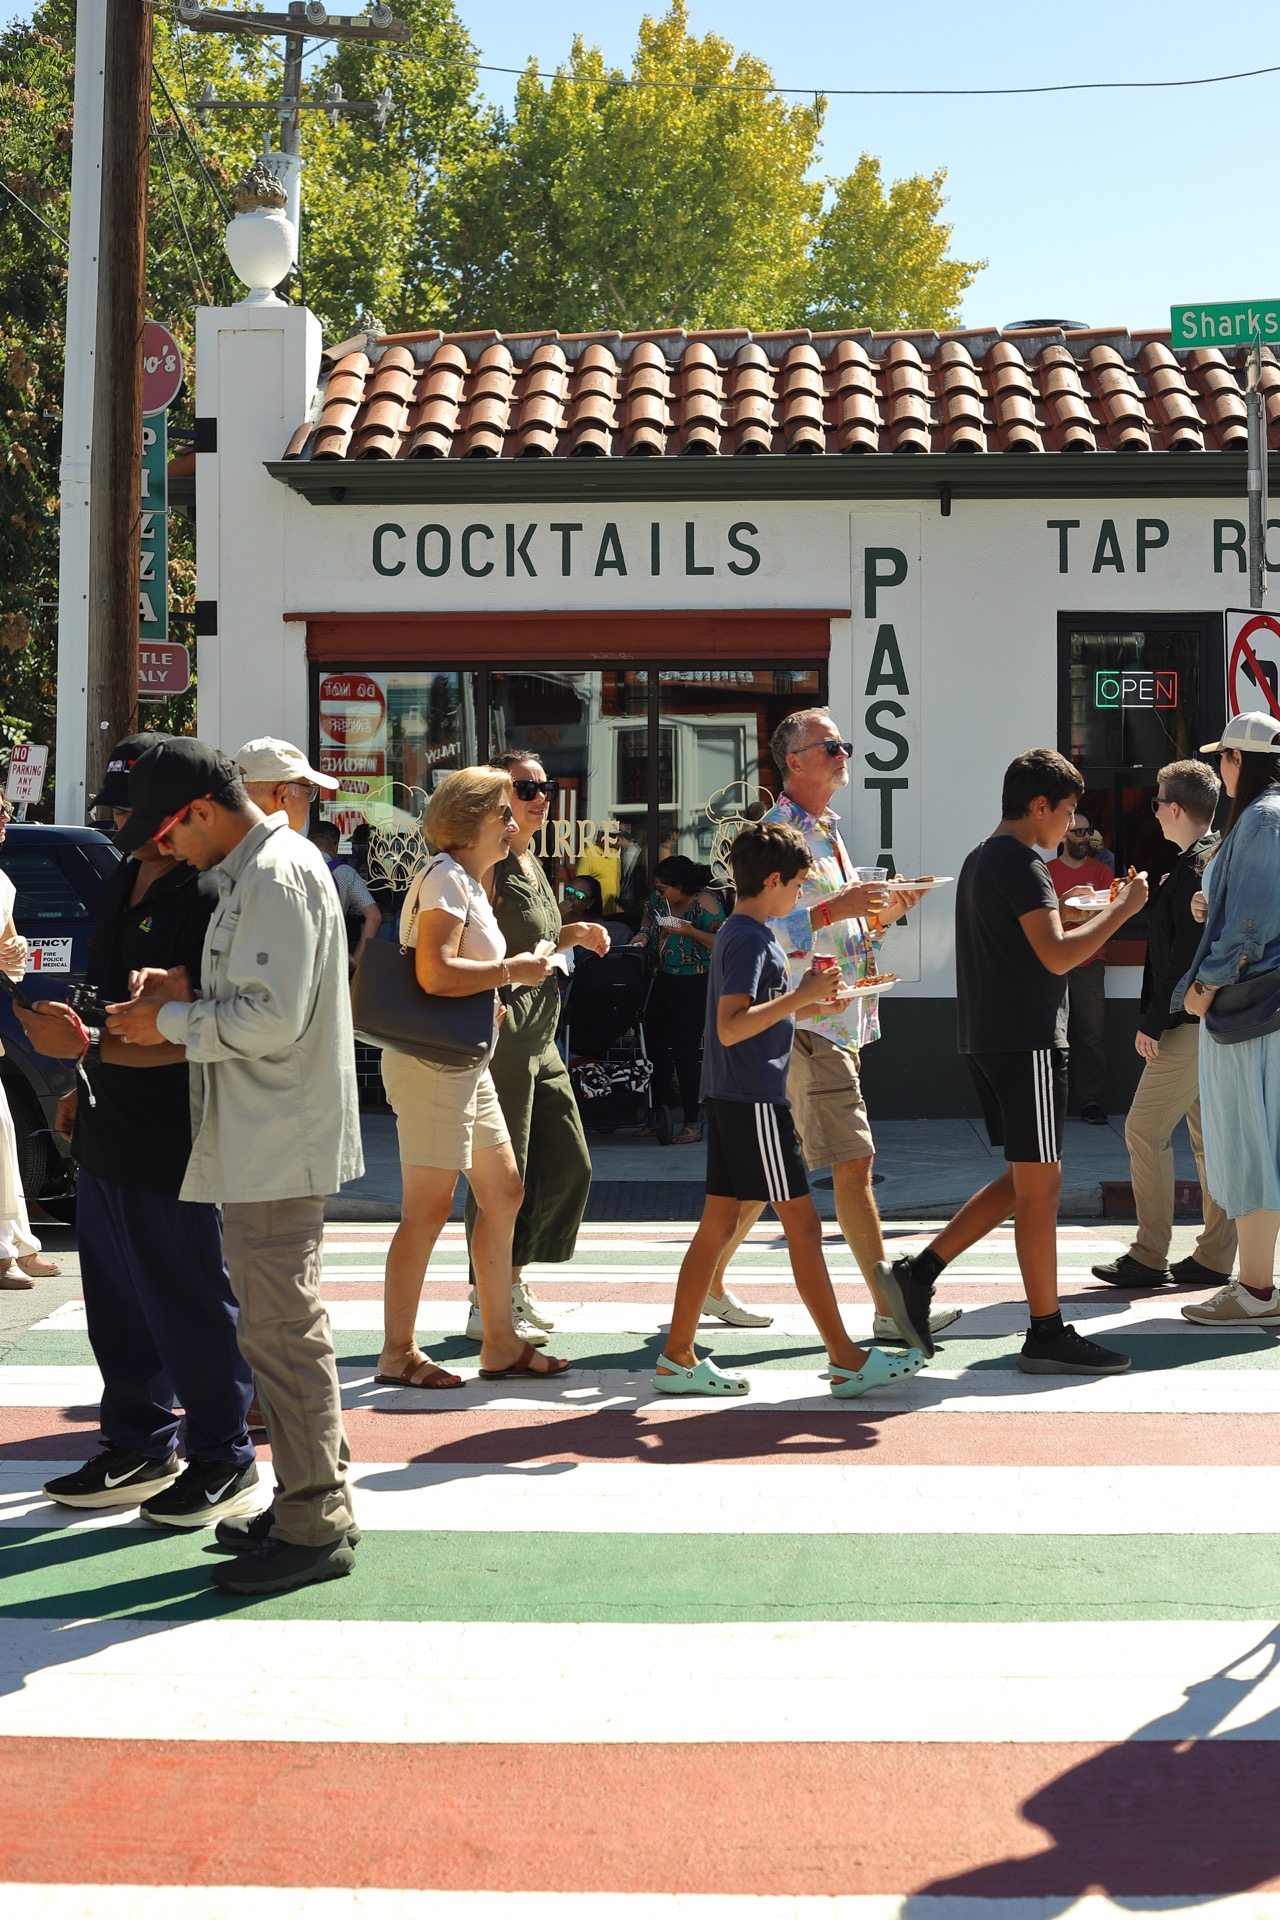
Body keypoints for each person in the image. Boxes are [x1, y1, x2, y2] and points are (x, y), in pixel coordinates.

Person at [105, 738, 363, 1595]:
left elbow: (269, 1019)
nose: (162, 851)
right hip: (266, 1132)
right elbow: (259, 1004)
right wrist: (181, 993)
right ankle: (301, 1499)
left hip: (275, 1136)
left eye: (168, 834)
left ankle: (314, 1520)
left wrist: (170, 1020)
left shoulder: (274, 871)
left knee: (282, 1333)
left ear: (202, 812)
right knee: (278, 1327)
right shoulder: (266, 863)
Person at [23, 734, 257, 1525]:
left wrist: (86, 1046)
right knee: (115, 1299)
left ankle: (224, 1454)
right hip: (109, 1115)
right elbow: (115, 1004)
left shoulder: (212, 892)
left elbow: (188, 1028)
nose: (122, 821)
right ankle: (137, 1443)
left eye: (133, 809)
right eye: (117, 807)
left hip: (181, 1127)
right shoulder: (126, 874)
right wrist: (80, 1083)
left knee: (187, 1296)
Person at [878, 747, 1148, 1375]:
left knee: (1028, 1180)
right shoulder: (1023, 864)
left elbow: (1030, 945)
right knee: (1041, 1186)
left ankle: (918, 1274)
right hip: (1024, 1039)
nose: (1073, 825)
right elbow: (1056, 956)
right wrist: (1122, 910)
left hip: (991, 1035)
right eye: (1069, 811)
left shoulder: (981, 857)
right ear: (1039, 807)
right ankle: (1046, 1331)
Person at [711, 706, 957, 1348]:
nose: (845, 753)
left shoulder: (827, 829)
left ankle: (706, 1282)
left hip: (833, 1018)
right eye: (832, 746)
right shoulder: (773, 834)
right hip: (806, 1022)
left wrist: (881, 912)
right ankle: (888, 1307)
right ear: (793, 762)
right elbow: (751, 929)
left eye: (845, 744)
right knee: (853, 1161)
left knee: (769, 1176)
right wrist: (838, 907)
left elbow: (839, 926)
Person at [653, 822, 925, 1399]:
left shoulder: (739, 929)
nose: (804, 896)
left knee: (718, 1226)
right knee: (802, 1228)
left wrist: (802, 1000)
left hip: (733, 1096)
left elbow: (745, 1019)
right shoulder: (750, 937)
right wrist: (801, 997)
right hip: (753, 1098)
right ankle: (846, 1359)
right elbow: (731, 1026)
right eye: (800, 884)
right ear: (773, 880)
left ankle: (677, 1356)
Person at [375, 765, 570, 1386]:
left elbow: (457, 972)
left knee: (505, 1192)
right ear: (473, 822)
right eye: (504, 814)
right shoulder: (447, 880)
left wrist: (499, 981)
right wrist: (509, 972)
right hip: (435, 1066)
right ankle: (397, 1351)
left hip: (463, 1061)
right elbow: (435, 973)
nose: (514, 823)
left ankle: (499, 1341)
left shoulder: (468, 882)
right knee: (428, 1210)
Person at [459, 754, 609, 1341]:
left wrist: (569, 934)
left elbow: (537, 937)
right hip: (504, 1032)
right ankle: (485, 1298)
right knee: (502, 1173)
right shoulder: (487, 858)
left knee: (567, 1161)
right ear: (498, 795)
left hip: (541, 1031)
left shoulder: (527, 854)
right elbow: (471, 941)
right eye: (527, 787)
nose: (541, 796)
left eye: (545, 787)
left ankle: (511, 1280)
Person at [1092, 759, 1236, 1288]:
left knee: (1143, 1130)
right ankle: (1216, 1255)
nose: (1152, 812)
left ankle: (1151, 1254)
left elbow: (1181, 959)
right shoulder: (1207, 860)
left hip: (1187, 1022)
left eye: (1156, 803)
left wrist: (1151, 1022)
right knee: (1206, 1140)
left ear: (1175, 808)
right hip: (1206, 1021)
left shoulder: (1196, 867)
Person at [1174, 712, 1280, 1326]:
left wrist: (1205, 987)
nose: (1219, 768)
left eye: (1224, 757)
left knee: (1250, 1146)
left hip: (1247, 1009)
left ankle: (1258, 1291)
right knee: (1256, 1144)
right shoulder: (1264, 818)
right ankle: (1257, 1284)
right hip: (1261, 1005)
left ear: (1240, 760)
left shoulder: (1263, 819)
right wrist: (1209, 899)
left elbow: (1251, 924)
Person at [630, 853, 724, 1144]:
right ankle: (658, 1116)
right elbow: (648, 913)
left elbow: (723, 940)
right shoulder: (660, 900)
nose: (658, 893)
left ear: (681, 887)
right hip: (661, 977)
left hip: (695, 980)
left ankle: (693, 1122)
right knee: (656, 1049)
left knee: (685, 1051)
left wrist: (690, 931)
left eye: (662, 888)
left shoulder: (706, 903)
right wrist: (644, 933)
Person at [0, 795, 56, 1287]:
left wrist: (13, 953)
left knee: (3, 1133)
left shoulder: (3, 882)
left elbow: (10, 950)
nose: (3, 820)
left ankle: (18, 1243)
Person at [1046, 811, 1112, 1124]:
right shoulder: (1045, 872)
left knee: (1091, 1036)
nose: (1084, 838)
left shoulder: (1101, 872)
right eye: (1077, 833)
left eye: (1088, 832)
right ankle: (1048, 1102)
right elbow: (1041, 920)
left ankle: (1090, 1101)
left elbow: (1105, 917)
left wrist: (1068, 917)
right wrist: (1072, 917)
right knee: (1050, 1036)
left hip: (1089, 963)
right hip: (1053, 962)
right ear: (1064, 836)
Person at [309, 819, 382, 970]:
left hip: (296, 955)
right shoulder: (345, 873)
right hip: (330, 958)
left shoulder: (290, 867)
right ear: (335, 846)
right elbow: (374, 916)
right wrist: (356, 960)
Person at [237, 736, 338, 833]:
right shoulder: (296, 849)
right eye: (308, 792)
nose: (309, 804)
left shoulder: (224, 842)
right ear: (282, 797)